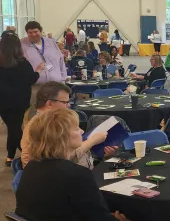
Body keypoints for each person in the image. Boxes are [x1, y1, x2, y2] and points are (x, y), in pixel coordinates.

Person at [16, 108, 151, 221]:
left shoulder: (31, 166)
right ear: (61, 137)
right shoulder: (77, 174)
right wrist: (117, 220)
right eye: (76, 129)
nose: (82, 131)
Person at [20, 82, 117, 169]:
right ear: (49, 103)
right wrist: (92, 141)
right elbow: (60, 159)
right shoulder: (41, 126)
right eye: (65, 102)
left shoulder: (53, 122)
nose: (69, 105)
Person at [0, 34, 43, 166]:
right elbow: (31, 80)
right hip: (20, 101)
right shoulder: (23, 63)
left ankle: (10, 156)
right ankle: (28, 153)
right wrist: (38, 70)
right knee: (15, 128)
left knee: (13, 127)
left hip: (3, 102)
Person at [21, 21, 66, 120]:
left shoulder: (51, 42)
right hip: (35, 86)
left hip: (55, 85)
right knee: (34, 111)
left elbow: (61, 61)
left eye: (35, 31)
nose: (33, 34)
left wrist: (63, 79)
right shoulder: (22, 44)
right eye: (30, 32)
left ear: (40, 31)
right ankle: (33, 133)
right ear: (27, 33)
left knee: (56, 112)